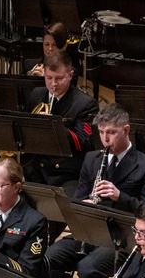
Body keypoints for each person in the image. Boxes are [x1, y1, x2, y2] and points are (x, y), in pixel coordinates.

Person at [45, 103, 145, 278]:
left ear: (126, 130)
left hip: (123, 236)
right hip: (90, 231)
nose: (105, 139)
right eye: (101, 132)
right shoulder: (92, 159)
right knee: (47, 261)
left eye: (111, 132)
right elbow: (78, 199)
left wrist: (120, 196)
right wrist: (82, 205)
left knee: (88, 269)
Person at [23, 50, 99, 190]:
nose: (53, 84)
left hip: (66, 173)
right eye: (49, 77)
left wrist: (56, 127)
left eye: (59, 78)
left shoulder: (85, 104)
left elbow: (86, 143)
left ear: (70, 75)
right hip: (37, 168)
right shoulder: (37, 94)